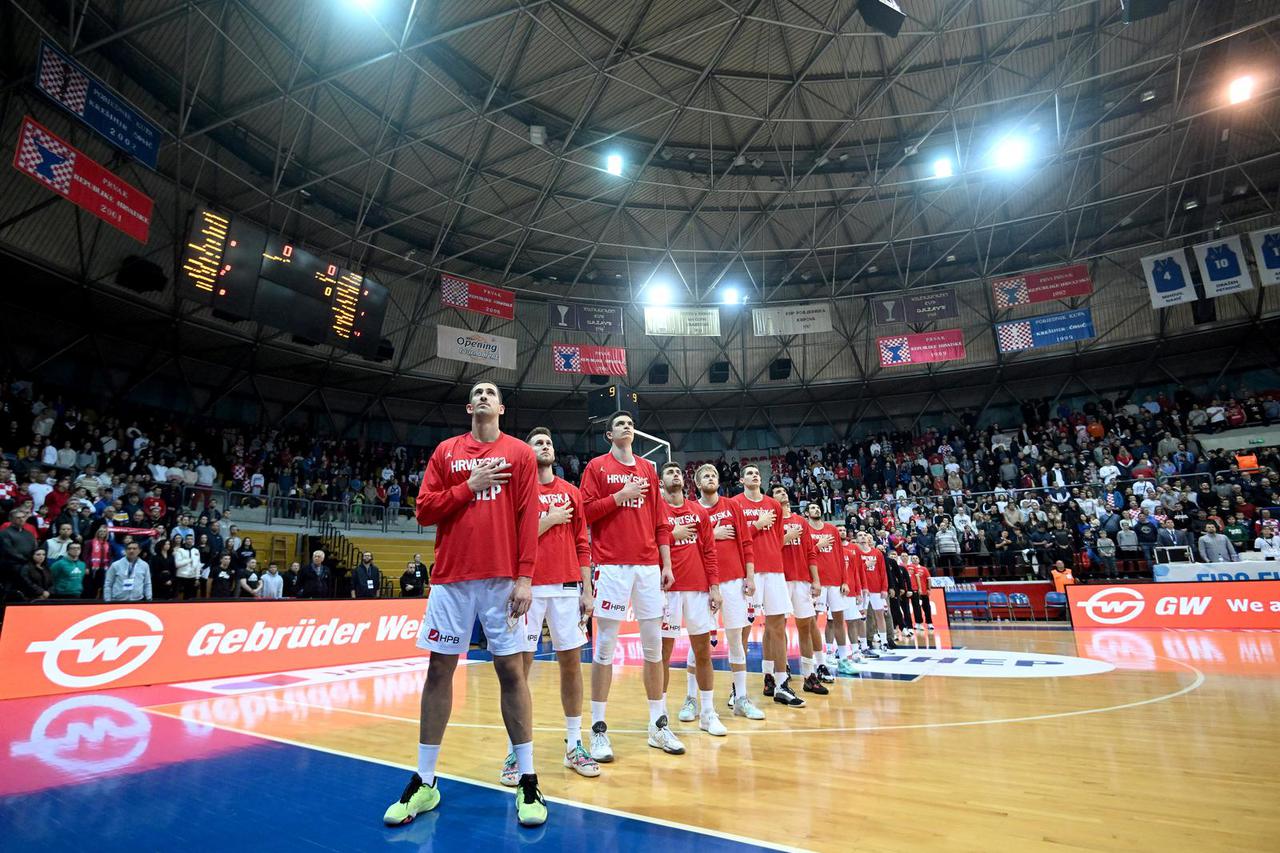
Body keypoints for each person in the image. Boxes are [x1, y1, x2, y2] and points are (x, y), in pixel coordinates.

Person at [383, 382, 545, 829]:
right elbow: (424, 510)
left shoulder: (520, 455)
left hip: (501, 579)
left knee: (512, 671)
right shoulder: (446, 452)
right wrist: (468, 486)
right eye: (478, 392)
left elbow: (528, 517)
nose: (485, 396)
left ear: (502, 407)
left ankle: (528, 777)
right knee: (439, 669)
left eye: (492, 392)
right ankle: (425, 780)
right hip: (451, 578)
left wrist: (526, 576)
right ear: (469, 406)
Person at [501, 427, 599, 785]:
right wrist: (549, 520)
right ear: (527, 453)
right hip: (527, 588)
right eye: (537, 443)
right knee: (519, 669)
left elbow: (582, 545)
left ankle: (574, 743)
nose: (545, 446)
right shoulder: (516, 492)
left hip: (568, 588)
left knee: (571, 664)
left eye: (549, 442)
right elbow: (511, 538)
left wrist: (588, 589)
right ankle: (516, 749)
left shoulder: (571, 493)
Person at [578, 411, 676, 762]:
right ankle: (599, 729)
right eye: (620, 424)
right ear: (609, 435)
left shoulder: (649, 470)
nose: (627, 426)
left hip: (649, 567)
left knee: (654, 648)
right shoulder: (597, 467)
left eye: (630, 423)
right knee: (605, 649)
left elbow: (661, 522)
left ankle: (658, 724)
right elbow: (585, 513)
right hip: (612, 565)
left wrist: (666, 563)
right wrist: (622, 495)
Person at [659, 461, 727, 737]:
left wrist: (715, 587)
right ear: (661, 482)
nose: (675, 474)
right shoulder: (655, 511)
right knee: (661, 656)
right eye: (669, 472)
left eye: (678, 472)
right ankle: (659, 715)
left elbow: (709, 552)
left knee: (703, 652)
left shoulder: (698, 511)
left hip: (699, 589)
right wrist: (671, 535)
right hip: (667, 591)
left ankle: (708, 713)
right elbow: (646, 547)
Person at [693, 463, 766, 721]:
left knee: (736, 641)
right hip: (702, 584)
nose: (711, 478)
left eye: (713, 474)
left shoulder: (732, 505)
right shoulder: (692, 510)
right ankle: (693, 700)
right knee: (699, 644)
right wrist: (713, 534)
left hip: (734, 580)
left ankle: (741, 699)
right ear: (698, 484)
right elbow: (687, 544)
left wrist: (750, 575)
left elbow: (746, 542)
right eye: (705, 475)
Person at [731, 464, 794, 704]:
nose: (754, 475)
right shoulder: (734, 504)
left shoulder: (774, 505)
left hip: (775, 572)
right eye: (749, 473)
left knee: (778, 627)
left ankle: (780, 683)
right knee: (742, 631)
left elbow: (778, 539)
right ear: (741, 479)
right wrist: (757, 524)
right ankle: (737, 689)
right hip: (749, 571)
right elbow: (735, 537)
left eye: (757, 473)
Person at [175, 534, 202, 600]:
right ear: (185, 540)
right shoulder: (180, 550)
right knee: (180, 597)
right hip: (182, 576)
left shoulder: (196, 550)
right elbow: (177, 564)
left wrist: (197, 578)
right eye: (188, 539)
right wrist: (189, 560)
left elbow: (198, 565)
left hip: (192, 577)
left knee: (191, 597)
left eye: (191, 539)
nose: (190, 540)